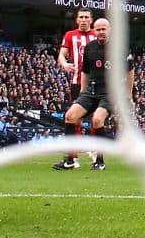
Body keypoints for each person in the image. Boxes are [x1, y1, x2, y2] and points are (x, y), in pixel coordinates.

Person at [55, 18, 131, 172]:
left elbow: (129, 72)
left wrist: (127, 96)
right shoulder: (89, 48)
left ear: (110, 30)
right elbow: (85, 72)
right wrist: (83, 93)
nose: (101, 32)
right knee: (70, 116)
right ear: (94, 31)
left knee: (97, 119)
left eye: (104, 29)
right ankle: (70, 160)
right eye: (98, 29)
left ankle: (100, 161)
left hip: (109, 93)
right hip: (91, 91)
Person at [52, 9, 95, 170]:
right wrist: (64, 64)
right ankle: (74, 157)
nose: (83, 20)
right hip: (77, 83)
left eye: (86, 17)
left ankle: (96, 153)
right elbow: (61, 55)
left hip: (96, 83)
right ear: (77, 20)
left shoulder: (97, 35)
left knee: (96, 118)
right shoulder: (70, 35)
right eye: (81, 17)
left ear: (91, 20)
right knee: (75, 119)